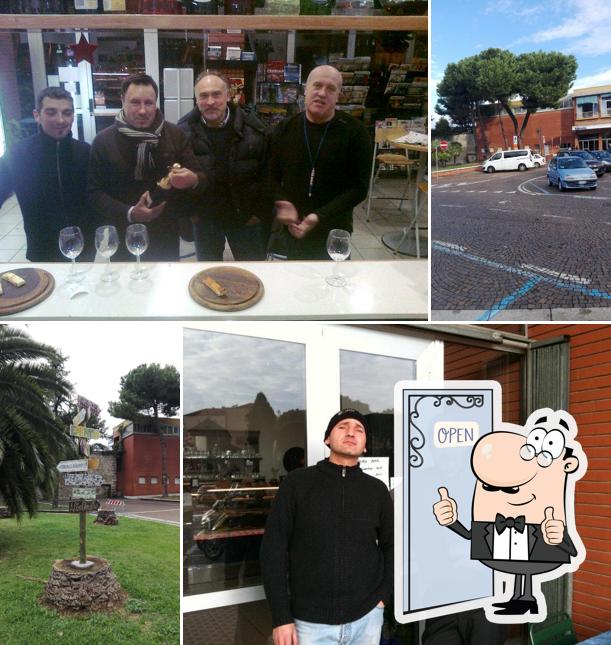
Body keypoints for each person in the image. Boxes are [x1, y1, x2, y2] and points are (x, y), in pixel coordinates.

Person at [433, 409, 586, 620]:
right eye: (490, 487)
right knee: (520, 568)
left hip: (489, 587)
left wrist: (559, 537)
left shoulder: (545, 519)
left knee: (527, 567)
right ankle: (519, 598)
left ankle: (526, 599)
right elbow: (471, 535)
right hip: (450, 589)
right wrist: (451, 521)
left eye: (512, 489)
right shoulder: (485, 515)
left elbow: (571, 550)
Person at [260, 409, 393, 645]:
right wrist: (281, 616)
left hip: (367, 619)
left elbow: (391, 546)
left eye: (359, 429)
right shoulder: (297, 484)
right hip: (309, 625)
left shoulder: (377, 490)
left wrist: (382, 597)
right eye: (342, 426)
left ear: (364, 446)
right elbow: (274, 550)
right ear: (327, 439)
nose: (351, 432)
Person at [88, 74, 206, 261]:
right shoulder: (103, 141)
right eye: (135, 102)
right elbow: (94, 192)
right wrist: (130, 213)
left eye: (149, 103)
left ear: (156, 103)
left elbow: (199, 177)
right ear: (122, 101)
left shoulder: (176, 135)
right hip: (122, 232)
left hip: (166, 233)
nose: (143, 110)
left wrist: (193, 180)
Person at [267, 65, 371, 260]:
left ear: (339, 95)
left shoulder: (355, 132)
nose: (322, 93)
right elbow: (270, 175)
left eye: (331, 89)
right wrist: (282, 201)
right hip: (292, 227)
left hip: (334, 229)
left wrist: (318, 216)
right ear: (305, 90)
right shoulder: (285, 128)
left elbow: (359, 187)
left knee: (333, 286)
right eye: (317, 86)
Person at [178, 71, 269, 261]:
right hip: (205, 221)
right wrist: (191, 213)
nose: (210, 101)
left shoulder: (254, 129)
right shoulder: (182, 133)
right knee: (209, 276)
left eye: (216, 94)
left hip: (245, 219)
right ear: (196, 99)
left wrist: (259, 213)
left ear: (228, 95)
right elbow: (177, 178)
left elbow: (268, 174)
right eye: (204, 95)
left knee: (252, 273)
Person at [0, 86, 94, 262]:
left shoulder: (85, 152)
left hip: (84, 247)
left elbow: (97, 195)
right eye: (51, 112)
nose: (60, 120)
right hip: (42, 249)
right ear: (37, 115)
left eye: (67, 113)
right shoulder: (18, 154)